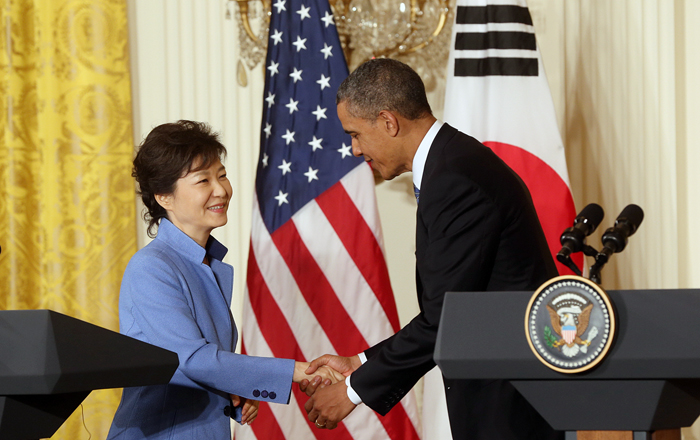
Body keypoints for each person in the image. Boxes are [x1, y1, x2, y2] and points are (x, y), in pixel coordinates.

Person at [301, 59, 564, 439]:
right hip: (503, 398)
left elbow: (446, 318)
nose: (355, 150)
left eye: (355, 134)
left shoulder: (456, 178)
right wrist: (356, 363)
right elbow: (446, 313)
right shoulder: (453, 162)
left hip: (511, 405)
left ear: (389, 122)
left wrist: (353, 391)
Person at [107, 120, 342, 439]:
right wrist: (296, 371)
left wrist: (234, 393)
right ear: (164, 196)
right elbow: (192, 360)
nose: (221, 190)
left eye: (222, 175)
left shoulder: (206, 263)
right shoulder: (152, 267)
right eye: (203, 180)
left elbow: (196, 371)